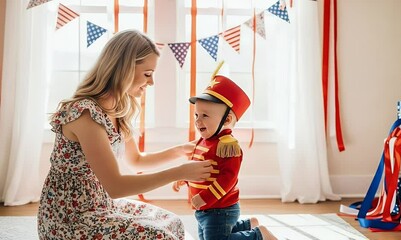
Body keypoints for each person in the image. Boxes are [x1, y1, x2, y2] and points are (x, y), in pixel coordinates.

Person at [37, 29, 213, 239]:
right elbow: (116, 186)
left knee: (173, 223)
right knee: (159, 236)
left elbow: (137, 161)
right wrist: (178, 172)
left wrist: (180, 151)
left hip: (101, 204)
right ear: (124, 69)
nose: (151, 82)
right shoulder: (84, 114)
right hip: (70, 218)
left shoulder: (118, 109)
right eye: (147, 74)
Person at [173, 63, 277, 240]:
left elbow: (228, 179)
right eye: (196, 115)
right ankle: (248, 225)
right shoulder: (204, 140)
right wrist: (185, 178)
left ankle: (258, 236)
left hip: (220, 208)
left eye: (205, 116)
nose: (198, 121)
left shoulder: (227, 146)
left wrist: (205, 196)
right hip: (205, 208)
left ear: (227, 119)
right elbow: (199, 167)